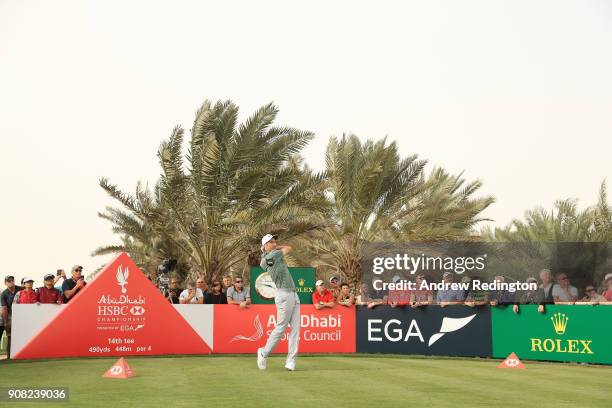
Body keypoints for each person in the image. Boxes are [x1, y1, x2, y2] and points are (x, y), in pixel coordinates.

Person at [257, 233, 300, 372]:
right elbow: (288, 248)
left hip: (293, 293)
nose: (275, 244)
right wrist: (274, 248)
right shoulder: (271, 256)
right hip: (284, 294)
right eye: (272, 242)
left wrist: (272, 246)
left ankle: (291, 361)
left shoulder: (272, 254)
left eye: (275, 241)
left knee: (296, 329)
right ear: (265, 246)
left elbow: (286, 248)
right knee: (281, 327)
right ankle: (264, 353)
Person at [1, 275, 22, 359]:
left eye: (12, 280)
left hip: (21, 316)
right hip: (10, 316)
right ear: (5, 283)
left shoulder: (20, 288)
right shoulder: (4, 294)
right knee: (10, 336)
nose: (11, 282)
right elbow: (4, 309)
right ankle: (9, 356)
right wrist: (6, 322)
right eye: (8, 281)